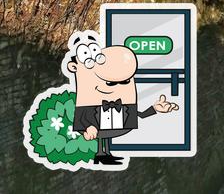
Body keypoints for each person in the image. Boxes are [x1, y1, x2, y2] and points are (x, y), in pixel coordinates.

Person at [66, 32, 178, 166]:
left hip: (111, 125)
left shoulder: (124, 105)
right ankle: (101, 154)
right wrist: (87, 128)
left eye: (125, 82)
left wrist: (154, 109)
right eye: (110, 83)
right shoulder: (87, 103)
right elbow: (82, 118)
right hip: (95, 128)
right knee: (102, 136)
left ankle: (104, 154)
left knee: (105, 137)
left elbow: (139, 115)